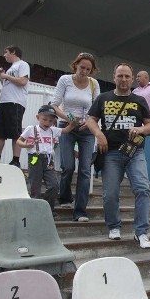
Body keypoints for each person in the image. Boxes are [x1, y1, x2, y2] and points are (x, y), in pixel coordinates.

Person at [86, 63, 150, 248]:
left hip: (135, 151)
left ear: (132, 79)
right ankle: (114, 226)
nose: (123, 79)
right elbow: (90, 119)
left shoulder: (139, 100)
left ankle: (141, 232)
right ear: (114, 77)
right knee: (110, 194)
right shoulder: (103, 98)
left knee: (142, 189)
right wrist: (99, 135)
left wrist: (140, 128)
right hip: (111, 153)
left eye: (127, 76)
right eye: (120, 76)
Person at [51, 52, 100, 222]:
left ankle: (80, 211)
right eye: (82, 67)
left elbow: (96, 109)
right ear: (75, 66)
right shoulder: (65, 80)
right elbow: (55, 105)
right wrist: (68, 118)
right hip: (67, 127)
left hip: (86, 129)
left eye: (88, 69)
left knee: (85, 170)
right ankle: (64, 197)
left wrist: (89, 122)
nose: (84, 71)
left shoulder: (94, 84)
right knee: (68, 166)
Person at [17, 105, 78, 211]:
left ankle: (48, 208)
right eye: (44, 119)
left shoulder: (53, 130)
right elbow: (19, 141)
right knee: (34, 184)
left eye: (50, 121)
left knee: (54, 185)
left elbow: (66, 130)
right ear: (38, 117)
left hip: (49, 159)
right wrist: (27, 145)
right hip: (35, 158)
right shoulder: (31, 129)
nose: (47, 123)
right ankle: (34, 208)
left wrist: (73, 124)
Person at [0, 45, 29, 166]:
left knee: (15, 132)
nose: (4, 55)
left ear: (13, 52)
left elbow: (23, 81)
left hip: (15, 102)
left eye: (6, 52)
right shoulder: (11, 68)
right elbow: (7, 84)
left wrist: (6, 76)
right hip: (3, 102)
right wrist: (1, 76)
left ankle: (16, 160)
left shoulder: (22, 64)